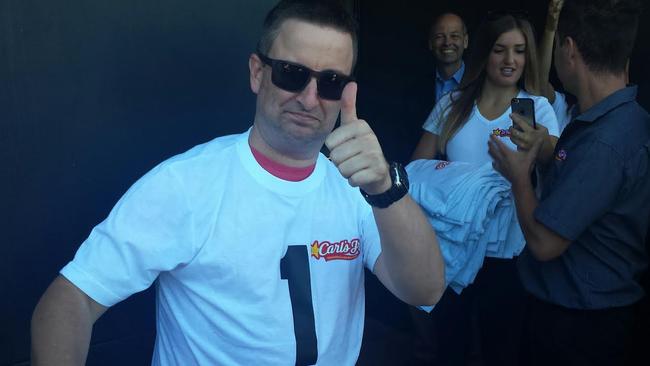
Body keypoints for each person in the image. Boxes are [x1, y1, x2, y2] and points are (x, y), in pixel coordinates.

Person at [30, 1, 446, 365]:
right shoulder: (186, 184)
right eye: (291, 73)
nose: (309, 97)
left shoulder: (360, 189)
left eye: (330, 81)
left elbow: (425, 289)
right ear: (256, 73)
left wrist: (385, 188)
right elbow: (73, 298)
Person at [488, 0, 649, 365]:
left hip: (577, 329)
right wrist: (546, 148)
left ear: (570, 49)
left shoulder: (605, 144)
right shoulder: (618, 121)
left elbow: (545, 243)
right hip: (594, 316)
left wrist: (518, 178)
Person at [409, 12, 560, 366]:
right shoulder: (452, 103)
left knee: (501, 349)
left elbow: (558, 159)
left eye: (520, 51)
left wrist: (542, 145)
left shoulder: (537, 109)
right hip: (453, 247)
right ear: (482, 53)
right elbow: (416, 168)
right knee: (450, 346)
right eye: (500, 50)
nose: (510, 61)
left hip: (507, 252)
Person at [429, 12, 469, 104]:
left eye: (454, 36)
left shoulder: (481, 85)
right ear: (430, 43)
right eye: (439, 36)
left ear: (465, 41)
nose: (447, 42)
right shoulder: (414, 87)